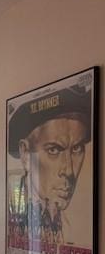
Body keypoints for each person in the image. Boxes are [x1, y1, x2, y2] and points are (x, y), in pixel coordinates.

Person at [8, 86, 91, 244]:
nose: (69, 171)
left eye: (77, 148)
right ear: (25, 154)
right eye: (54, 150)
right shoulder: (16, 211)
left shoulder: (76, 227)